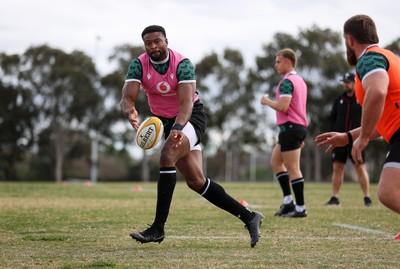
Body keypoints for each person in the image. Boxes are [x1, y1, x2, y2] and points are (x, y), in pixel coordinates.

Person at [120, 25, 263, 248]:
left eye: (157, 41)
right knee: (196, 182)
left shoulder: (183, 64)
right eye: (148, 43)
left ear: (166, 40)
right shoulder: (138, 64)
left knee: (167, 156)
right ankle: (249, 217)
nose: (153, 46)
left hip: (190, 118)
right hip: (165, 122)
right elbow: (127, 98)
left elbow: (186, 104)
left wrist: (178, 126)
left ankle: (157, 228)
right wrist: (130, 110)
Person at [316, 15, 400, 218]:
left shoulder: (368, 59)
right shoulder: (386, 55)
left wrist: (362, 139)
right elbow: (382, 125)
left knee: (387, 192)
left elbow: (378, 91)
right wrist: (348, 137)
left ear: (349, 40)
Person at [260, 48, 308, 218]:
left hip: (291, 128)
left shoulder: (288, 82)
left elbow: (283, 107)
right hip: (294, 128)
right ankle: (288, 202)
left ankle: (301, 208)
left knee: (294, 168)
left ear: (288, 63)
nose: (276, 65)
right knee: (276, 162)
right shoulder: (300, 81)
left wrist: (266, 102)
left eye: (278, 61)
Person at [325, 72, 372, 207]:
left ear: (354, 83)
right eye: (344, 82)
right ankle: (335, 197)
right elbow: (332, 118)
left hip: (356, 139)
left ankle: (367, 197)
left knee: (360, 167)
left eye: (348, 82)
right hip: (339, 140)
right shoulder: (338, 100)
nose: (345, 84)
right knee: (337, 167)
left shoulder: (361, 99)